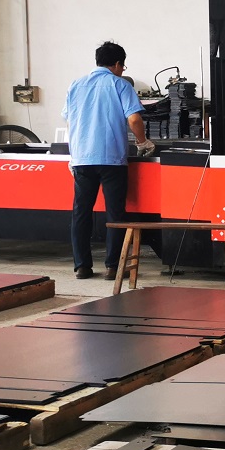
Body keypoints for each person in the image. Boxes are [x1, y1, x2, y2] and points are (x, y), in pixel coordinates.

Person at [62, 41, 155, 280]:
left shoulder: (75, 85)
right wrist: (143, 142)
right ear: (117, 64)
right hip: (111, 160)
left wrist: (75, 152)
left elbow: (69, 120)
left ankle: (82, 266)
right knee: (115, 214)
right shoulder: (120, 85)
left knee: (81, 212)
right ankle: (113, 267)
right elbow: (134, 119)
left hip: (82, 158)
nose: (122, 71)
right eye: (122, 67)